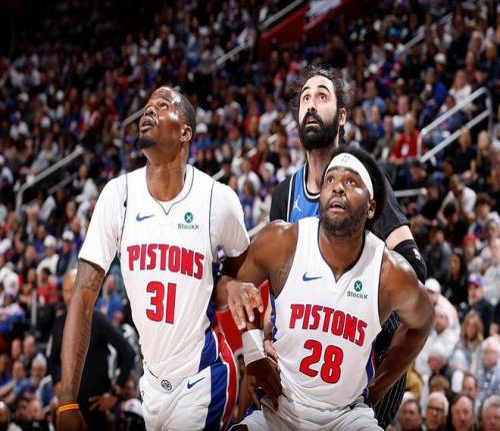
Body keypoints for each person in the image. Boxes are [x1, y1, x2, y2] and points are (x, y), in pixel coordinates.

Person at [57, 86, 256, 431]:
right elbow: (83, 295)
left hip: (203, 376)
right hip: (151, 382)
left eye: (162, 105)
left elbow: (242, 280)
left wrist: (253, 350)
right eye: (147, 105)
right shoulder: (118, 196)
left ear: (185, 132)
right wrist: (67, 399)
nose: (148, 110)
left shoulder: (218, 200)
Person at [268, 64, 428, 429]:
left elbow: (414, 266)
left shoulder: (364, 184)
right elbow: (273, 287)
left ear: (342, 116)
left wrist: (351, 283)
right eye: (305, 98)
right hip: (305, 353)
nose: (311, 104)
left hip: (362, 349)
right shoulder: (285, 193)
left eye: (322, 96)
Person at [229, 146, 433, 430]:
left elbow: (422, 323)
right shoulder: (283, 241)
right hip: (280, 408)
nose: (338, 187)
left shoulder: (390, 272)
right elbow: (234, 282)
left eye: (351, 181)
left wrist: (379, 385)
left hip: (347, 416)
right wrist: (253, 354)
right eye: (331, 180)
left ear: (371, 207)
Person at [49, 269, 135, 428]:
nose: (69, 295)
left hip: (95, 406)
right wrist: (58, 384)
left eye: (73, 289)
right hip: (69, 406)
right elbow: (53, 360)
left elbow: (128, 352)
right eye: (66, 290)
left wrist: (114, 394)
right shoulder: (59, 323)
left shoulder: (98, 319)